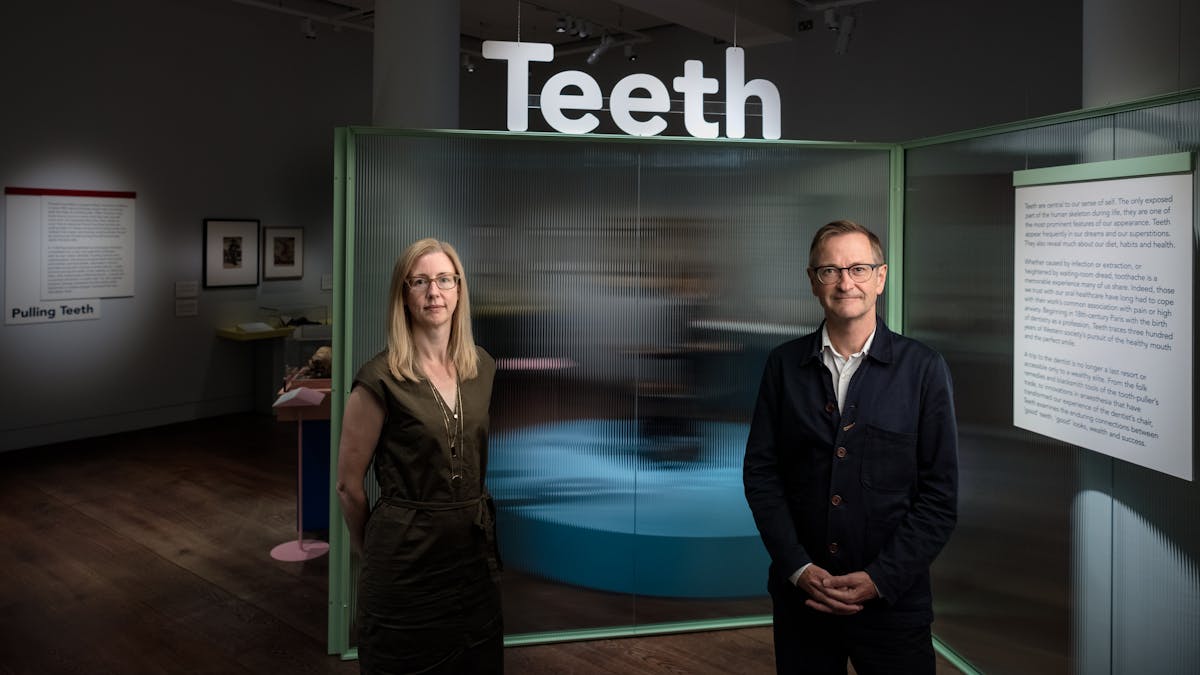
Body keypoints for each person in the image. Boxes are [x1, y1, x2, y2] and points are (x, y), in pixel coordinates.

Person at [743, 220, 958, 674]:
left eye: (859, 269)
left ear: (880, 278)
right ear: (812, 281)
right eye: (830, 271)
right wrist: (799, 569)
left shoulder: (923, 369)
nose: (846, 283)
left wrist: (880, 578)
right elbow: (762, 476)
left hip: (894, 603)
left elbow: (940, 497)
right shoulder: (782, 366)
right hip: (803, 600)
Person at [336, 238, 502, 674]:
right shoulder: (379, 379)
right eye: (421, 281)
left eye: (445, 279)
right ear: (403, 294)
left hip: (471, 558)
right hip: (404, 565)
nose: (435, 292)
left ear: (459, 290)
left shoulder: (482, 367)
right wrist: (368, 548)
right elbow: (348, 487)